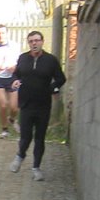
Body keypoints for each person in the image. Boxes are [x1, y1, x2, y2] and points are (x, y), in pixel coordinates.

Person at [9, 30, 66, 181]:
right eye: (31, 41)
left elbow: (61, 78)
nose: (34, 43)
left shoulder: (51, 60)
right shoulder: (23, 58)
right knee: (25, 136)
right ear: (29, 43)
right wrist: (15, 80)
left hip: (43, 105)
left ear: (42, 42)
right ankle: (20, 156)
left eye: (37, 40)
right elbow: (16, 74)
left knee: (40, 138)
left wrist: (52, 88)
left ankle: (36, 168)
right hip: (26, 104)